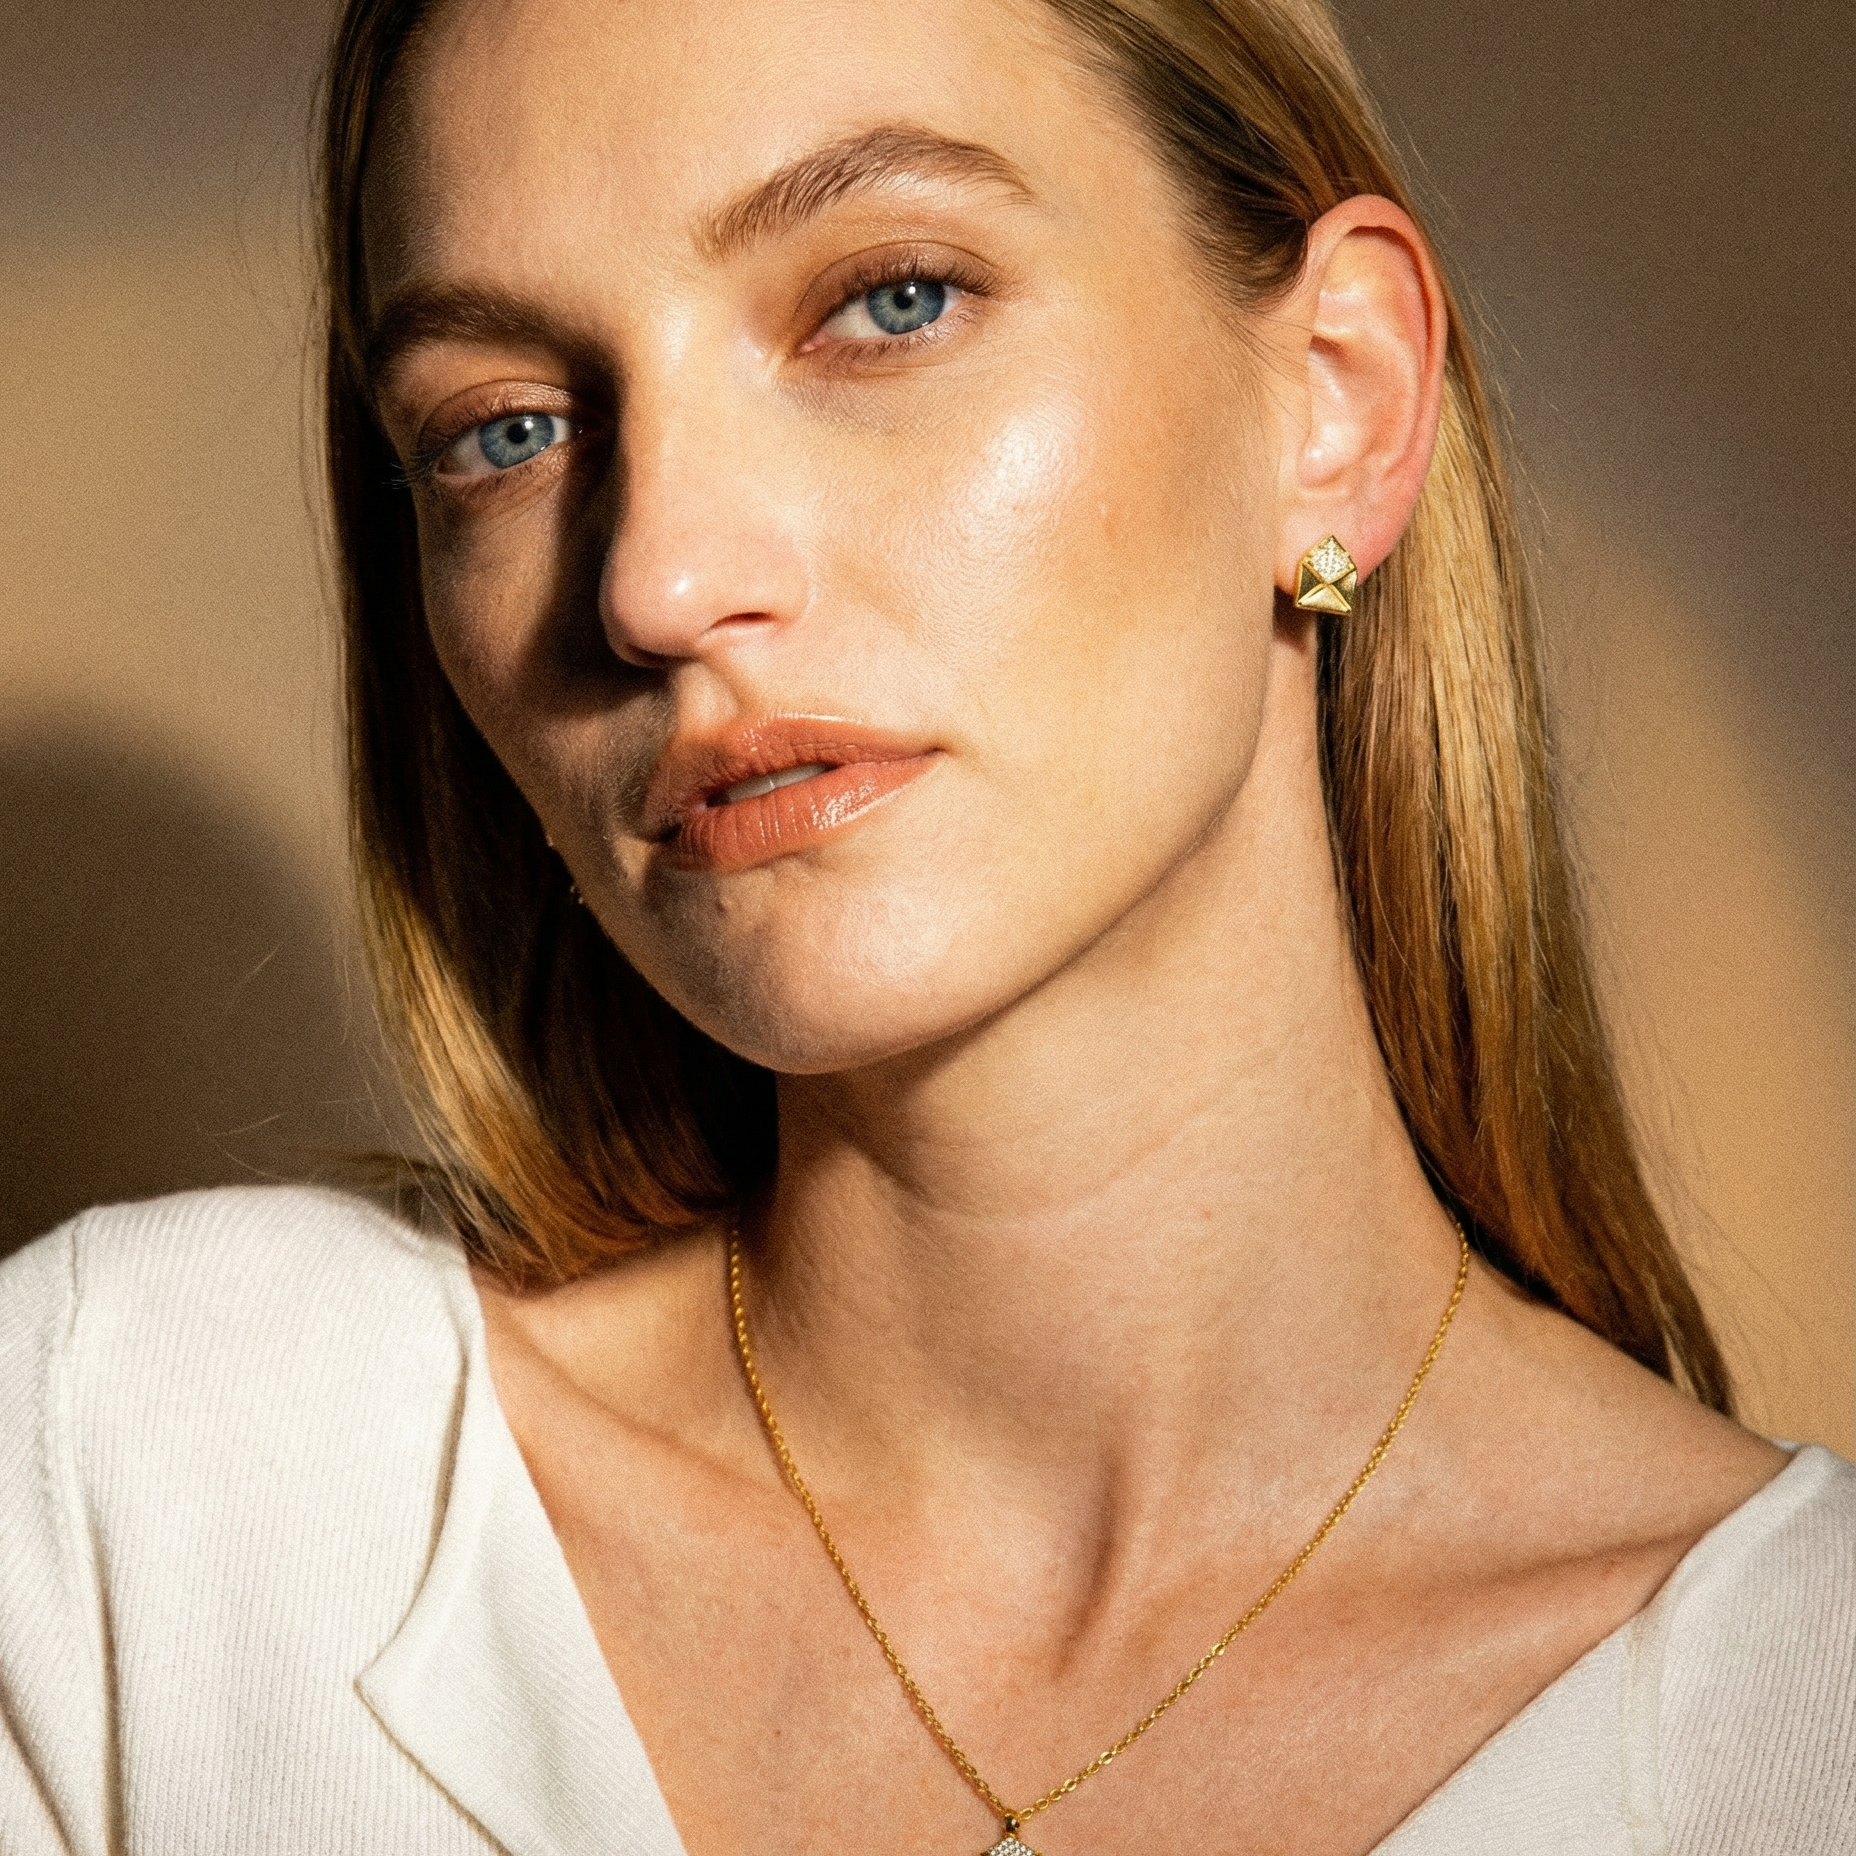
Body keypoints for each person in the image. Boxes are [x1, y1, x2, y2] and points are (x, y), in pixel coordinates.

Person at [2, 0, 1850, 1850]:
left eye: (889, 301)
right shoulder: (135, 1489)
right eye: (507, 429)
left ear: (1339, 397)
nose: (658, 579)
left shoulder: (1802, 1728)